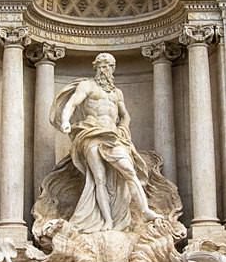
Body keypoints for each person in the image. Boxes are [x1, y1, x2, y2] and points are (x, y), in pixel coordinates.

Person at [50, 52, 156, 232]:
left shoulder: (117, 93)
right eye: (101, 65)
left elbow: (125, 115)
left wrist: (123, 129)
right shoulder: (87, 86)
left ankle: (145, 210)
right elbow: (72, 104)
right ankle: (107, 221)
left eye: (108, 66)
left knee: (129, 170)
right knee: (99, 179)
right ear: (96, 67)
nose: (104, 69)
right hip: (91, 133)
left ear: (113, 69)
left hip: (113, 136)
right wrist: (66, 121)